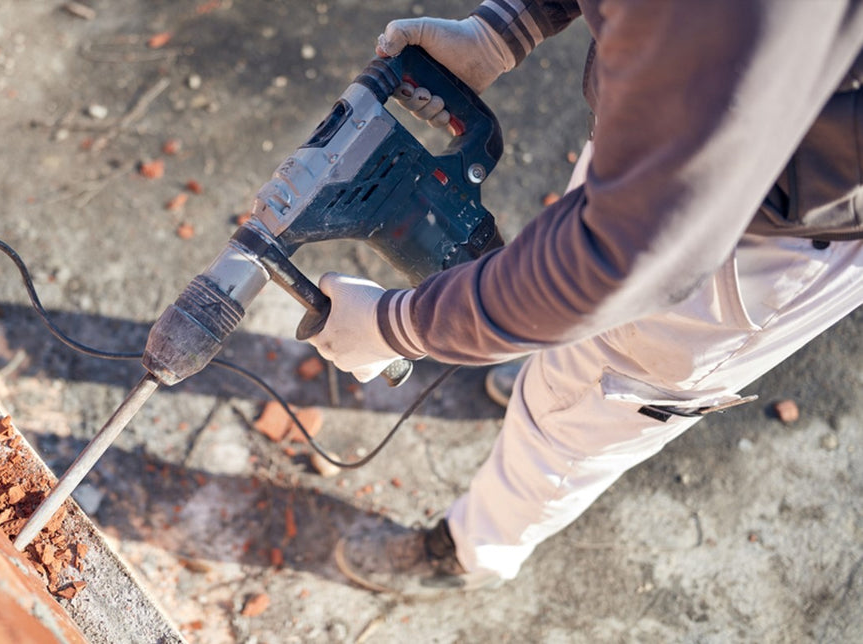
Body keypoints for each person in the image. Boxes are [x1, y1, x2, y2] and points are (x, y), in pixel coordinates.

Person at [306, 0, 863, 595]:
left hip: (751, 237)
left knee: (574, 420)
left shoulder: (737, 28)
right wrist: (507, 27)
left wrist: (397, 326)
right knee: (564, 351)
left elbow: (620, 259)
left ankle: (474, 552)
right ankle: (546, 350)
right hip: (679, 146)